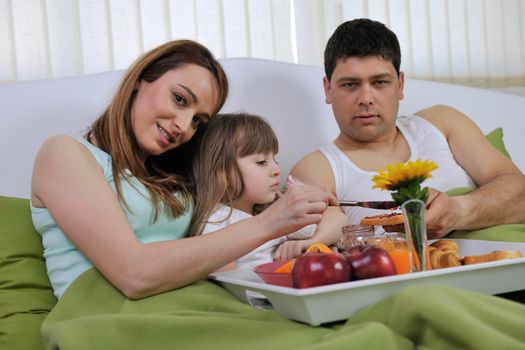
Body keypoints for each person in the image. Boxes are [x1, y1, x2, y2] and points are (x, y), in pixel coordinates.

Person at [30, 40, 337, 300]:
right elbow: (134, 274)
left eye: (197, 121)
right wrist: (269, 223)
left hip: (191, 305)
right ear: (141, 78)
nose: (182, 126)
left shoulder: (174, 177)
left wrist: (308, 205)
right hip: (110, 318)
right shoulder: (65, 154)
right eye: (179, 99)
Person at [290, 18, 525, 239]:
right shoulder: (317, 169)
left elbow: (520, 193)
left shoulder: (442, 123)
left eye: (380, 82)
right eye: (350, 85)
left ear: (400, 85)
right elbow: (317, 249)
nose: (366, 98)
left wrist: (457, 211)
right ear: (328, 90)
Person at [190, 113, 344, 269]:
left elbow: (340, 223)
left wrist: (309, 243)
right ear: (221, 171)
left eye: (274, 160)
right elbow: (226, 279)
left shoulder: (271, 208)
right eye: (262, 162)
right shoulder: (217, 221)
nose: (277, 169)